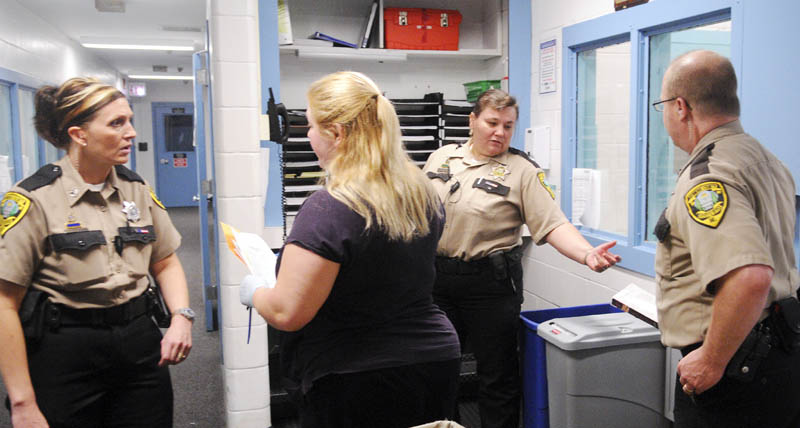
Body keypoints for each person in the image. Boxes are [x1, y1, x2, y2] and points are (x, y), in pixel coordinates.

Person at [239, 71, 461, 428]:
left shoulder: (330, 208)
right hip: (432, 360)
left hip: (356, 374)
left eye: (310, 126)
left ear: (337, 133)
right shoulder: (422, 194)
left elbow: (286, 312)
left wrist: (255, 292)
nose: (307, 135)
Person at [0, 77, 194, 428]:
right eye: (117, 123)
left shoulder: (135, 189)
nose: (131, 132)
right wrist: (22, 402)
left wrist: (181, 317)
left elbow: (165, 261)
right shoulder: (33, 199)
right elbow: (4, 303)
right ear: (79, 134)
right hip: (66, 348)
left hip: (138, 340)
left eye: (130, 120)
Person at [421, 88, 620, 428]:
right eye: (492, 122)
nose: (500, 132)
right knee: (436, 371)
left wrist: (586, 253)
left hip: (491, 285)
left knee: (497, 378)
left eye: (508, 126)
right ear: (473, 121)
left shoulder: (521, 170)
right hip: (437, 283)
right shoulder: (442, 157)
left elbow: (553, 222)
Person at [654, 50, 800, 427]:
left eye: (663, 106)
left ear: (681, 107)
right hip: (778, 354)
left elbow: (751, 276)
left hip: (735, 370)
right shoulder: (766, 159)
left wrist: (711, 360)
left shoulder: (707, 177)